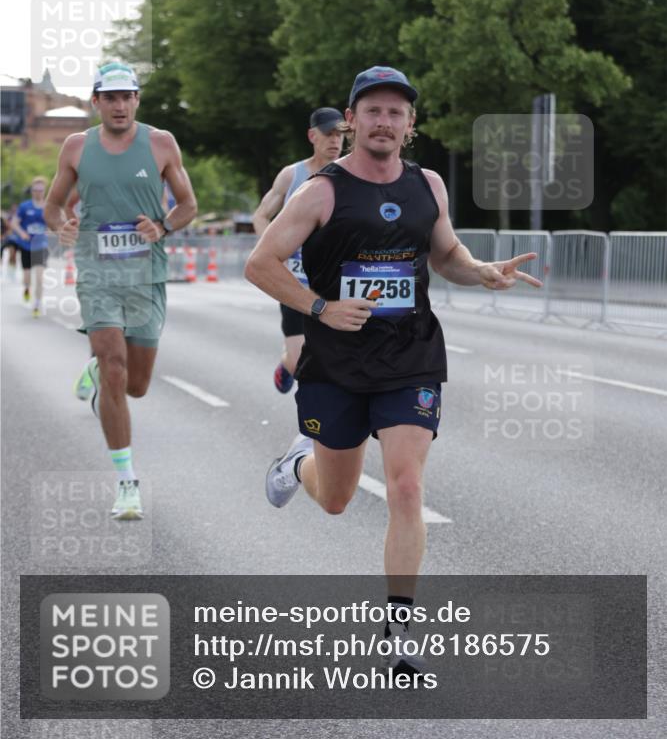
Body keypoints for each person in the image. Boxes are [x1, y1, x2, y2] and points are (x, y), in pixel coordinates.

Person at [245, 66, 542, 674]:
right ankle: (295, 462)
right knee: (335, 499)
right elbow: (261, 263)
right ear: (351, 120)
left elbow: (447, 255)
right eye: (373, 111)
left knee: (406, 487)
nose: (385, 122)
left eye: (396, 113)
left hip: (411, 356)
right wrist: (321, 308)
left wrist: (480, 271)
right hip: (335, 363)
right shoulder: (320, 192)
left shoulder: (427, 184)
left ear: (410, 125)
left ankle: (399, 629)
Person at [44, 62, 197, 520]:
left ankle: (96, 379)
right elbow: (53, 205)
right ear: (96, 102)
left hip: (146, 274)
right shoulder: (76, 146)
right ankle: (126, 482)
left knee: (136, 384)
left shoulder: (161, 143)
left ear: (136, 100)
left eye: (126, 96)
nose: (119, 104)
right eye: (109, 97)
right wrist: (62, 227)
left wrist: (164, 225)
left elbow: (188, 205)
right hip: (97, 273)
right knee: (113, 365)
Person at [252, 107, 343, 393]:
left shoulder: (352, 174)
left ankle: (313, 433)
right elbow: (261, 215)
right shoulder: (292, 175)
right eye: (329, 134)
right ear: (312, 136)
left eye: (341, 134)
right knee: (298, 361)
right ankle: (285, 363)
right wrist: (275, 249)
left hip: (334, 280)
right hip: (294, 279)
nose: (335, 141)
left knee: (333, 360)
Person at [10, 178, 50, 316]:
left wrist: (51, 231)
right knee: (27, 277)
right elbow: (14, 223)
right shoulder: (25, 206)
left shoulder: (48, 206)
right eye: (35, 190)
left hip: (41, 245)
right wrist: (22, 233)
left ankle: (37, 304)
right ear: (32, 191)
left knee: (39, 277)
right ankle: (27, 289)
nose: (38, 193)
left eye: (40, 190)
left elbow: (56, 223)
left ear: (44, 191)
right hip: (26, 245)